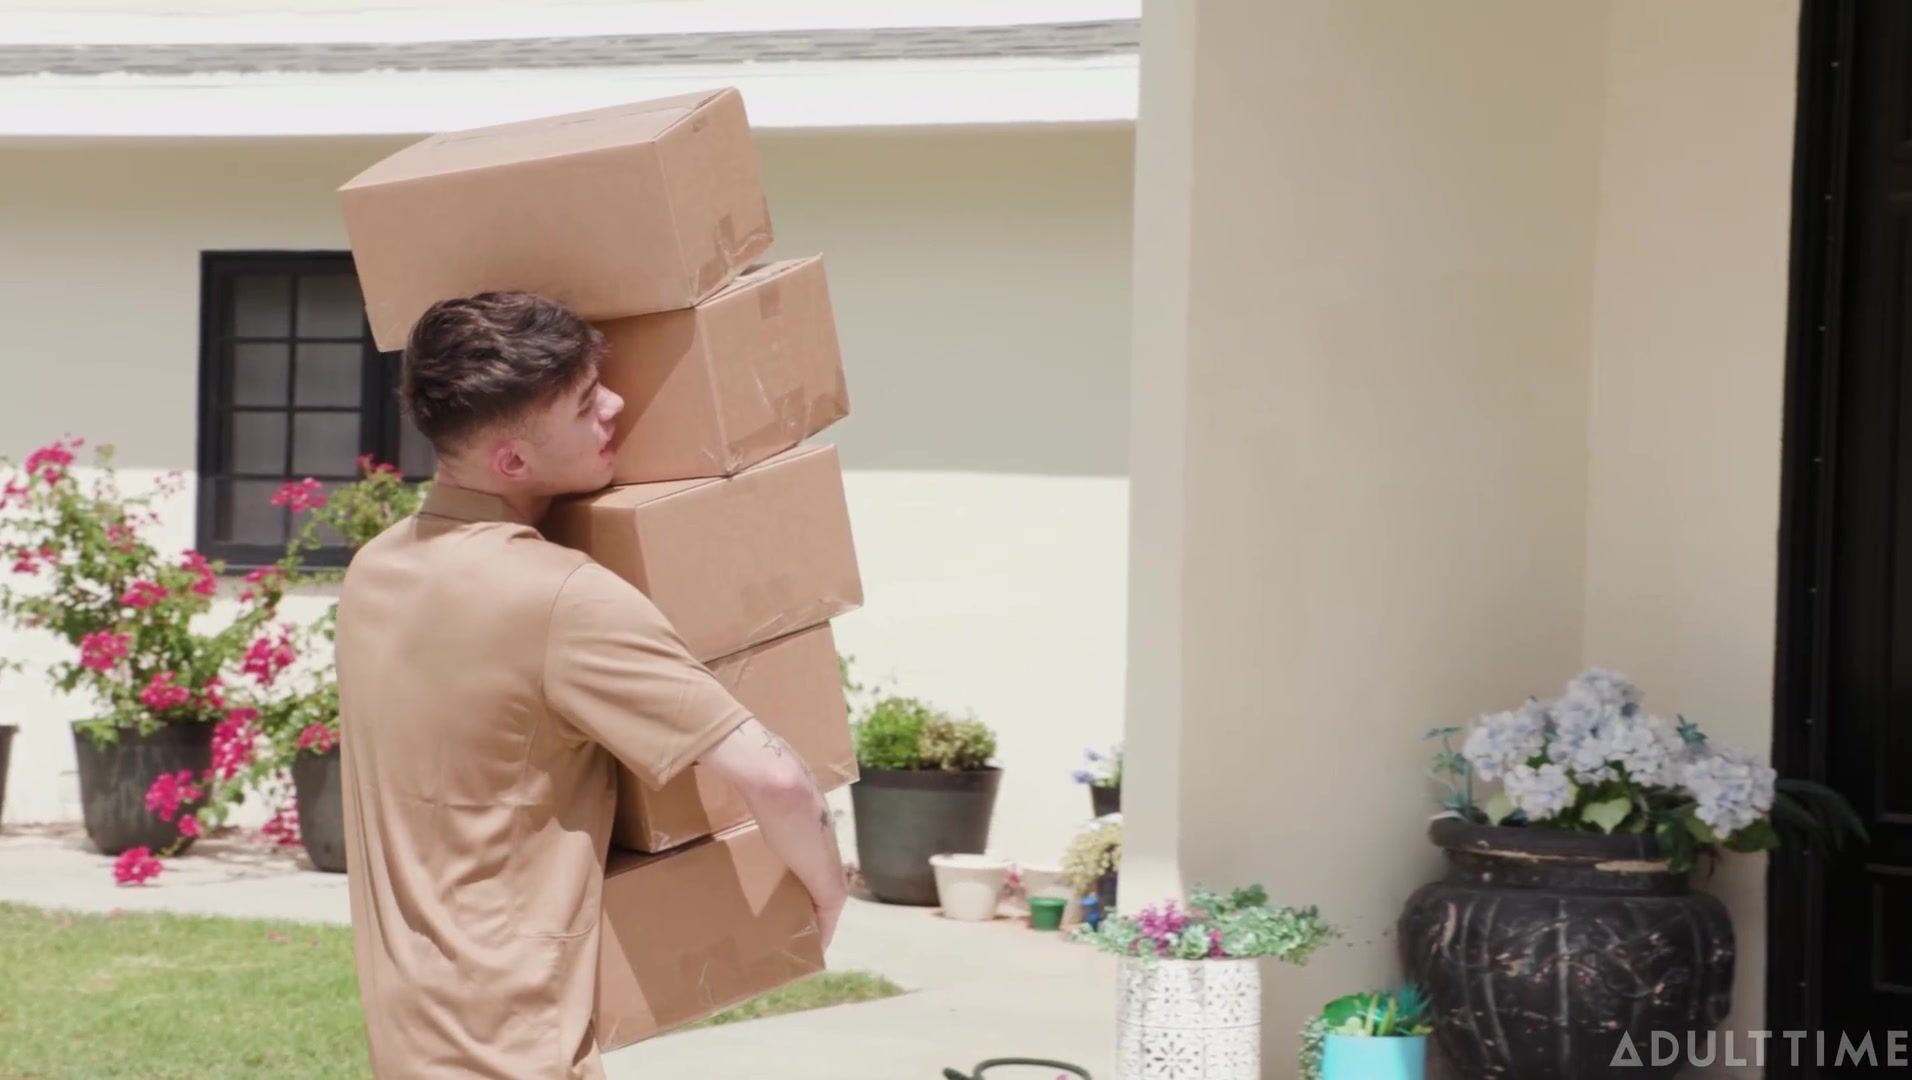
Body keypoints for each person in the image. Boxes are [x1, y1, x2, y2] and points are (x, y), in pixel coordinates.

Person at [333, 290, 847, 1079]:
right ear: (513, 462)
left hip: (407, 1035)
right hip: (514, 1051)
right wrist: (826, 892)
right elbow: (775, 779)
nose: (615, 405)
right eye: (584, 403)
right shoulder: (561, 598)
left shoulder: (374, 571)